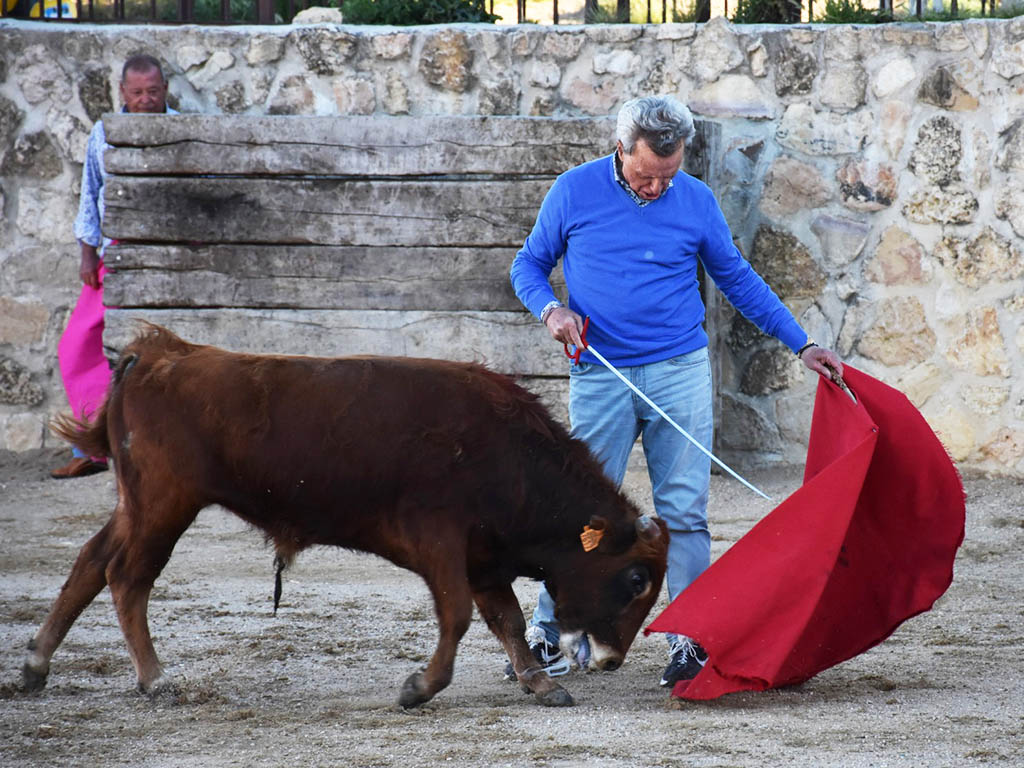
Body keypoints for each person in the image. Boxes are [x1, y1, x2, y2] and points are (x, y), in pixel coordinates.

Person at [508, 95, 843, 690]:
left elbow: (738, 279)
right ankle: (549, 632)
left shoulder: (696, 199)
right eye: (647, 175)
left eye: (670, 173)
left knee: (684, 510)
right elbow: (527, 267)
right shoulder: (573, 191)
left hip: (679, 372)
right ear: (620, 149)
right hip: (601, 374)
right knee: (585, 513)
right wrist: (552, 310)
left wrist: (802, 343)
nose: (659, 186)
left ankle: (692, 636)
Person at [52, 54, 176, 478]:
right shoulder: (103, 133)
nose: (145, 99)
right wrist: (88, 253)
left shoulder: (182, 129)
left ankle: (159, 449)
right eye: (137, 92)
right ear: (122, 92)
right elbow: (90, 193)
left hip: (168, 258)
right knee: (77, 347)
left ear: (165, 90)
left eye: (153, 91)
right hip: (115, 255)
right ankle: (94, 445)